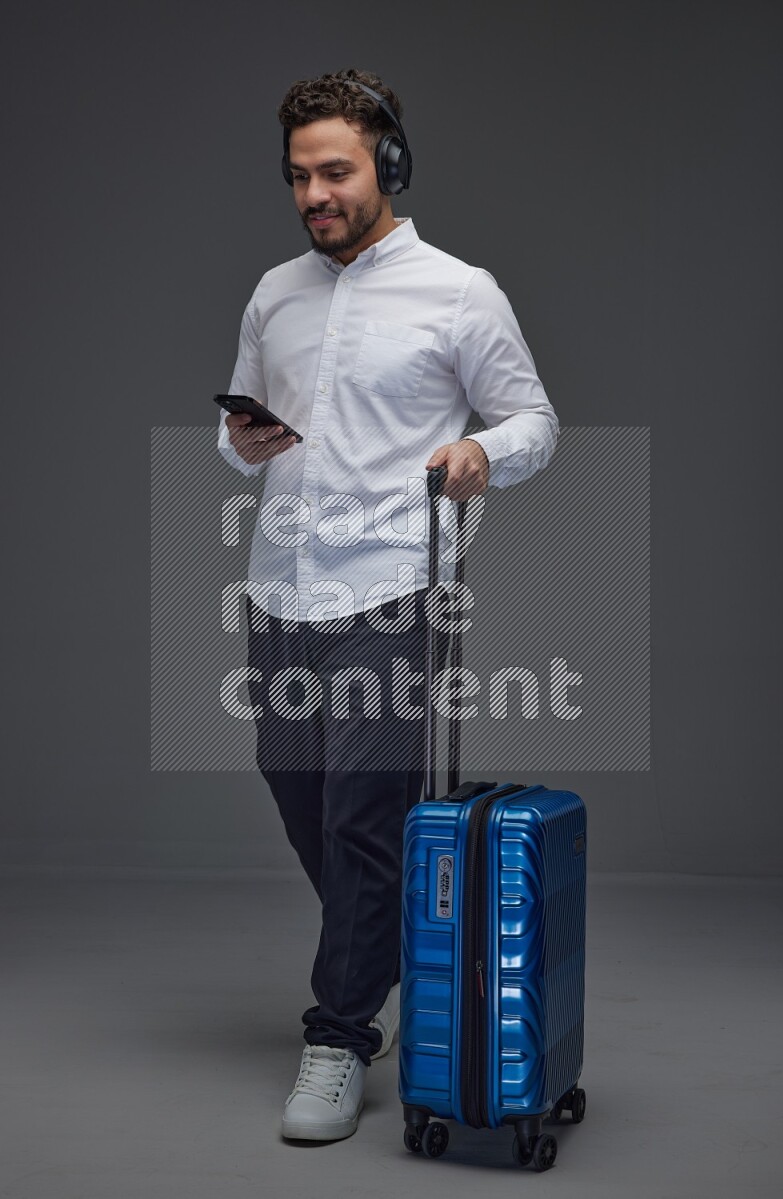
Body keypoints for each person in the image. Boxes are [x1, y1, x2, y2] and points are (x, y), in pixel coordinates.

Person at [217, 67, 559, 1142]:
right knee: (298, 792)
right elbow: (231, 442)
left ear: (388, 166)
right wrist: (240, 440)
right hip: (279, 587)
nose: (314, 194)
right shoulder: (274, 292)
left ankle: (337, 1033)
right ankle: (409, 950)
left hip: (393, 586)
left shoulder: (460, 292)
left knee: (365, 812)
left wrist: (478, 449)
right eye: (297, 177)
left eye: (334, 172)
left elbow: (534, 421)